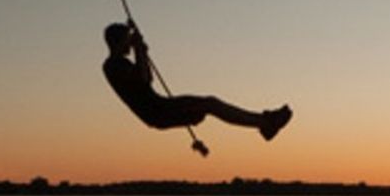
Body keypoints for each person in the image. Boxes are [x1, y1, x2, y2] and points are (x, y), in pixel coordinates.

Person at [102, 22, 292, 141]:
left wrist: (141, 51)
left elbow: (147, 79)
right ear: (118, 41)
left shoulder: (120, 63)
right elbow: (143, 79)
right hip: (159, 112)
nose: (129, 43)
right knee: (211, 104)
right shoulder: (112, 65)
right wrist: (139, 50)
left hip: (161, 108)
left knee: (210, 103)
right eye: (127, 39)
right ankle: (264, 123)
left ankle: (264, 122)